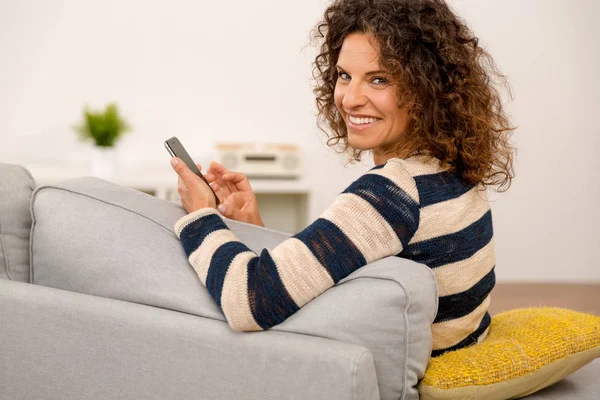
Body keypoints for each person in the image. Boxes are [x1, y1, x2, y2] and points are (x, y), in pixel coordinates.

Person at [169, 0, 515, 357]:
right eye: (344, 75)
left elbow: (249, 301)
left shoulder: (392, 194)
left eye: (379, 79)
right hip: (464, 345)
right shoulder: (449, 169)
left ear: (426, 89)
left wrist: (200, 215)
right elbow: (335, 270)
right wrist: (252, 226)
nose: (349, 99)